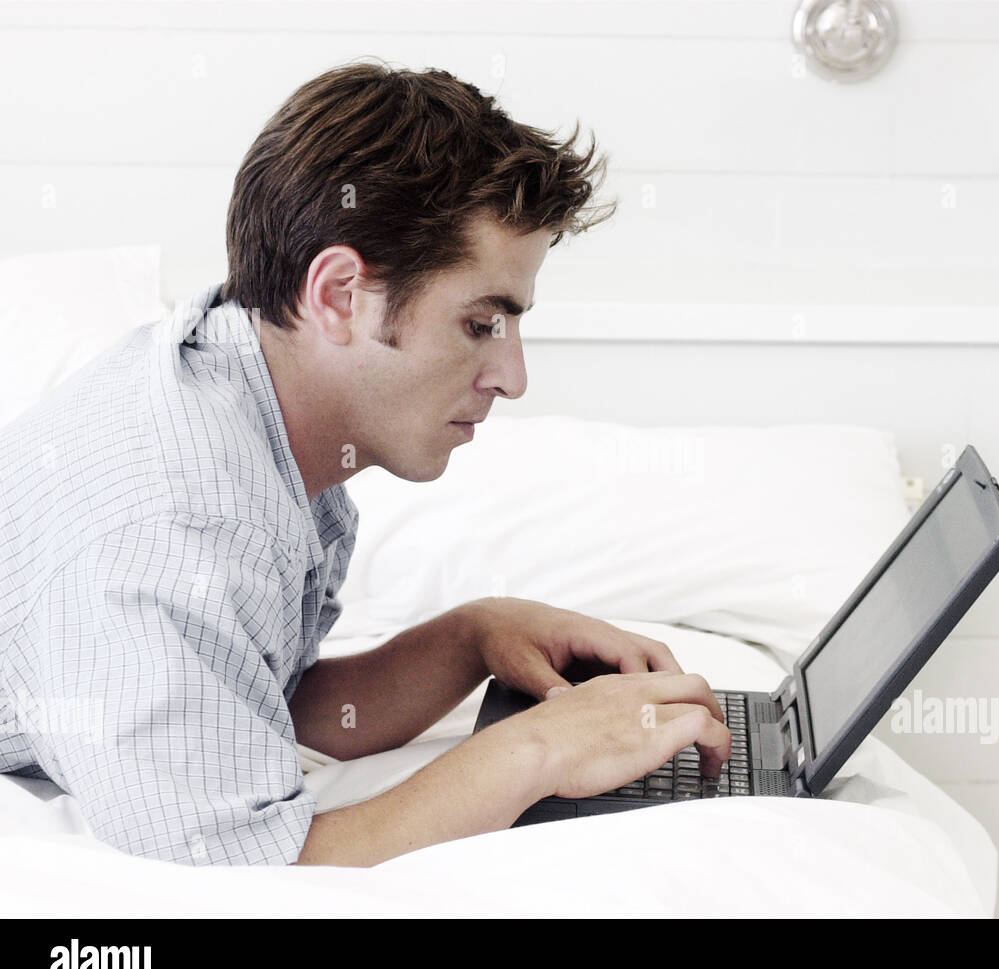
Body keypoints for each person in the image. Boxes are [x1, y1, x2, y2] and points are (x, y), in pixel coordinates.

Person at [0, 61, 731, 869]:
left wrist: (475, 635)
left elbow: (250, 705)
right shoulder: (174, 524)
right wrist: (539, 751)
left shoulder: (252, 404)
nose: (512, 378)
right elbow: (250, 875)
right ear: (341, 294)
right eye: (483, 323)